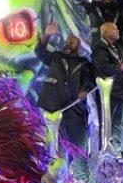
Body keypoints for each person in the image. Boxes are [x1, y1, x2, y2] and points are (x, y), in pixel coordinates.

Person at [35, 21, 96, 153]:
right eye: (67, 41)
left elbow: (91, 81)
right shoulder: (55, 58)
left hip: (74, 110)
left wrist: (84, 91)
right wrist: (46, 35)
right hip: (54, 110)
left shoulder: (84, 64)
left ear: (78, 46)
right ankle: (60, 173)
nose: (68, 43)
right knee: (56, 151)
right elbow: (39, 51)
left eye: (72, 42)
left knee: (79, 150)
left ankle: (80, 173)